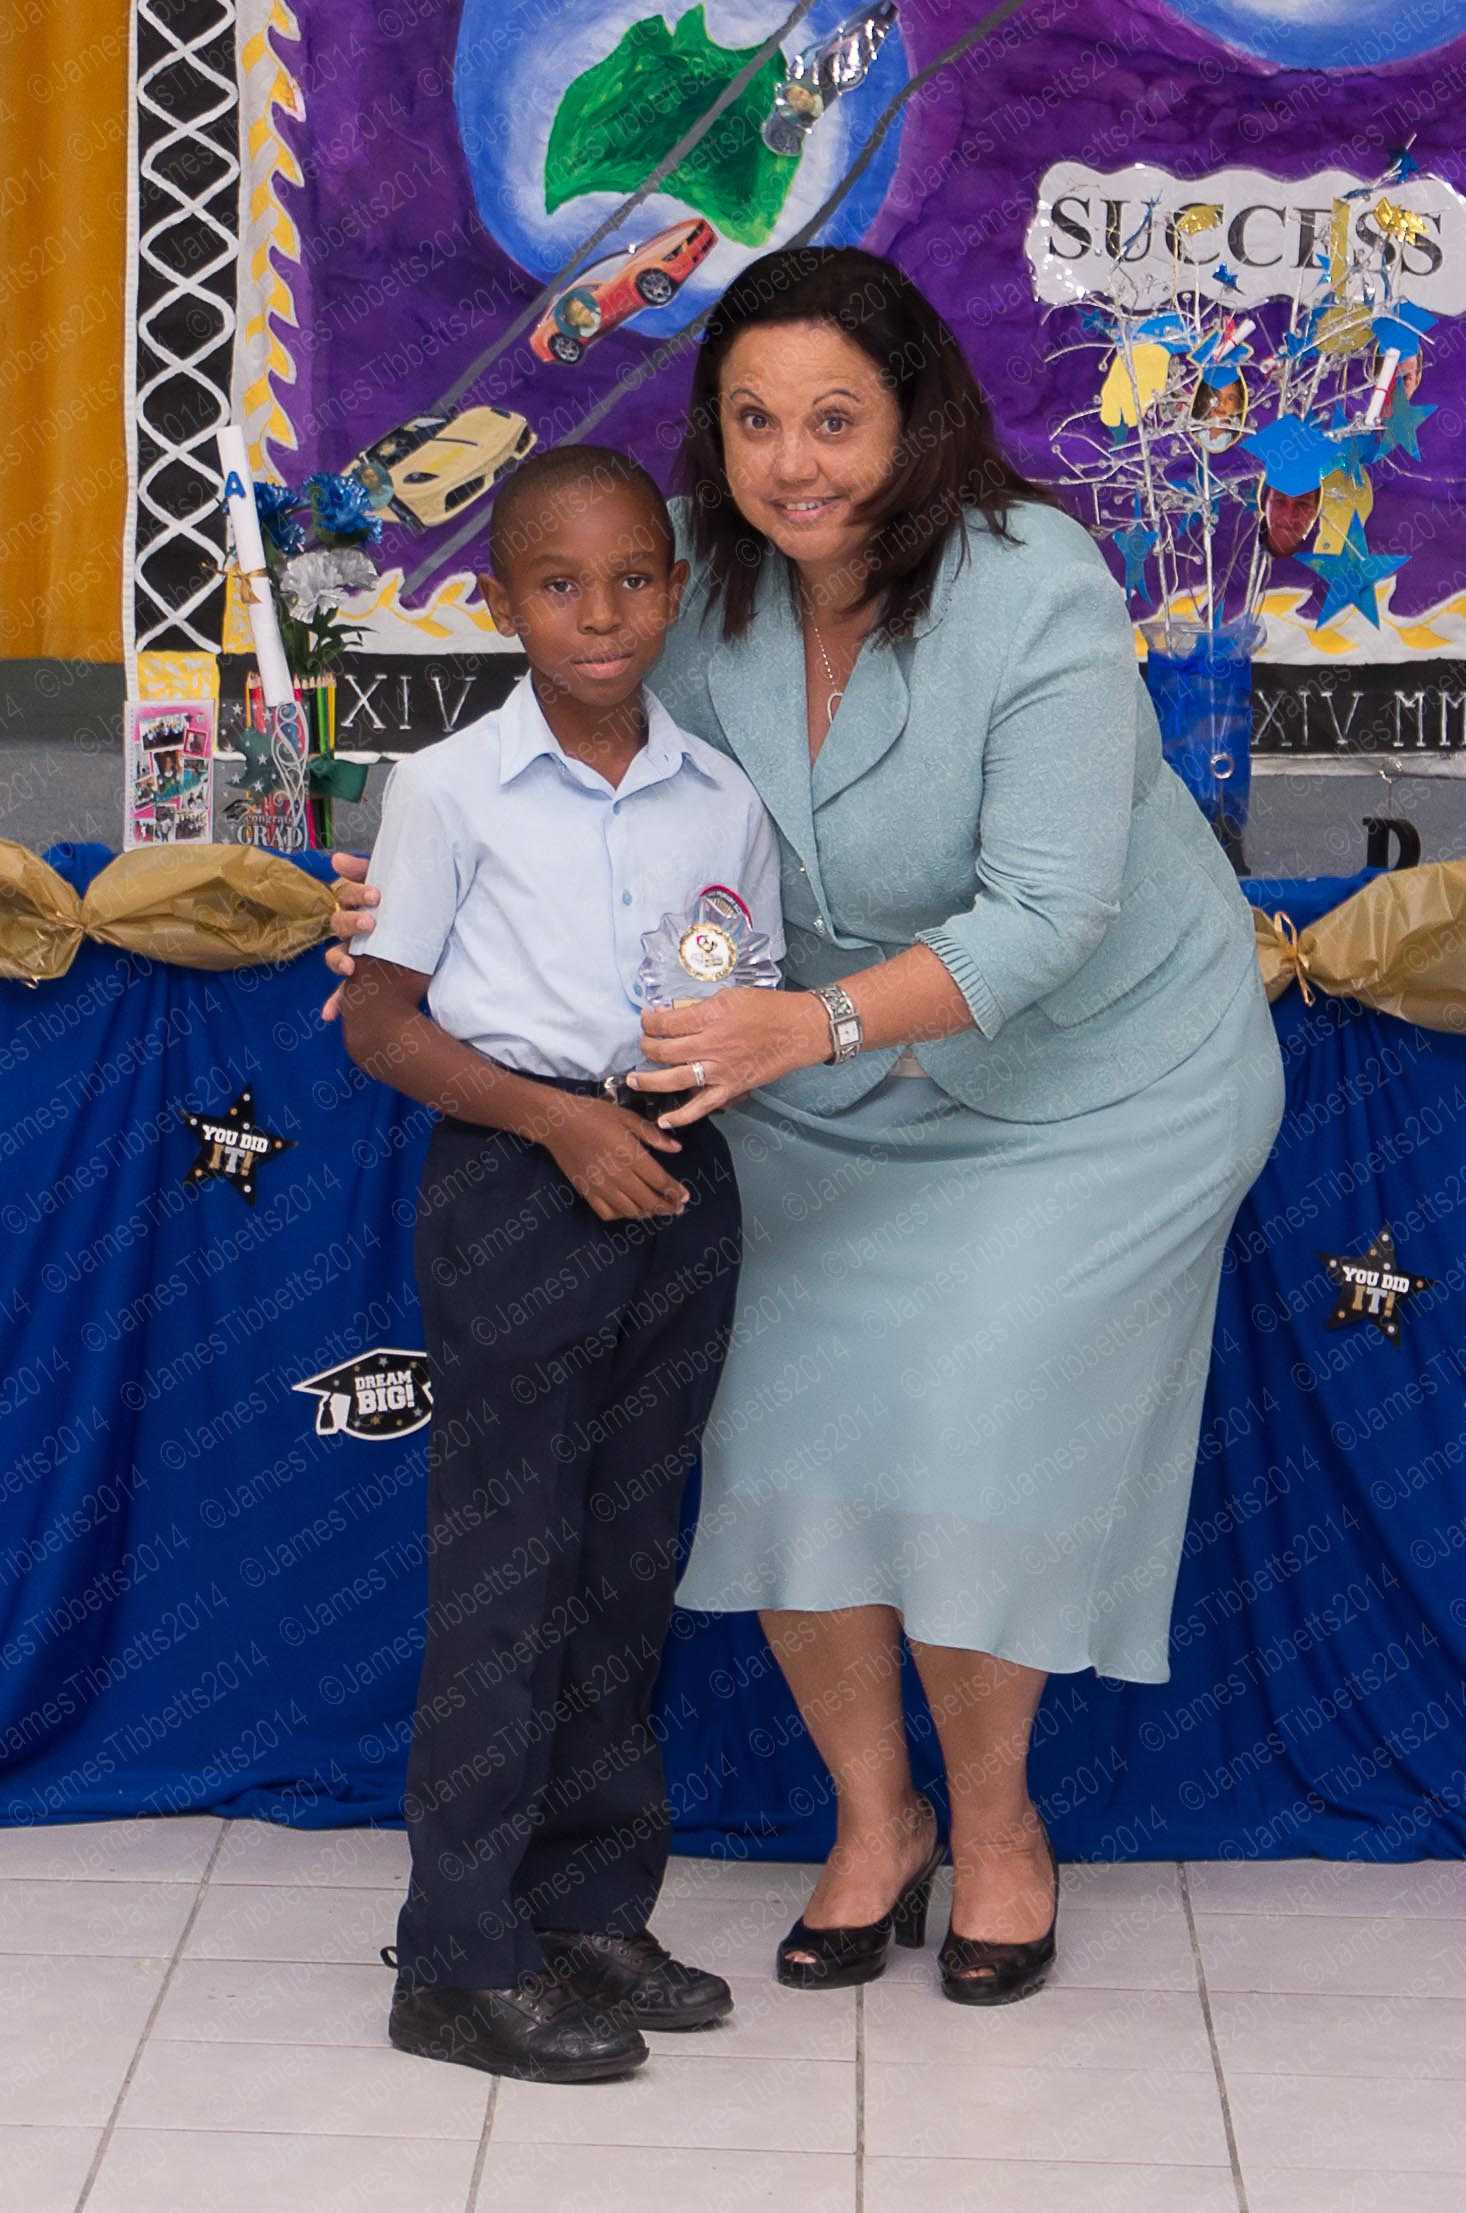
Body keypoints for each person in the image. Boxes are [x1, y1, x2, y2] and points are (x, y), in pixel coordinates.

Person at [327, 245, 1286, 2012]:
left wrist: (818, 1021)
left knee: (979, 1421)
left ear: (915, 417)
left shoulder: (1033, 582)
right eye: (754, 420)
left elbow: (1049, 913)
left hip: (1099, 1075)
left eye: (834, 419)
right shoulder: (695, 590)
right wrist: (400, 905)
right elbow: (574, 785)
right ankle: (876, 1817)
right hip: (820, 1081)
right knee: (776, 1424)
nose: (793, 462)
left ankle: (997, 1828)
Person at [336, 444, 784, 2080]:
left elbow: (742, 991)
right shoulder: (451, 787)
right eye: (558, 584)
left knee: (624, 1561)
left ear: (673, 591)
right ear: (501, 598)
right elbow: (380, 1021)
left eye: (631, 580)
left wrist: (695, 1091)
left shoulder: (719, 795)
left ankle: (588, 1907)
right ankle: (456, 1956)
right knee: (508, 1568)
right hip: (520, 1176)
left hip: (673, 1174)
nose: (599, 616)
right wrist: (557, 1120)